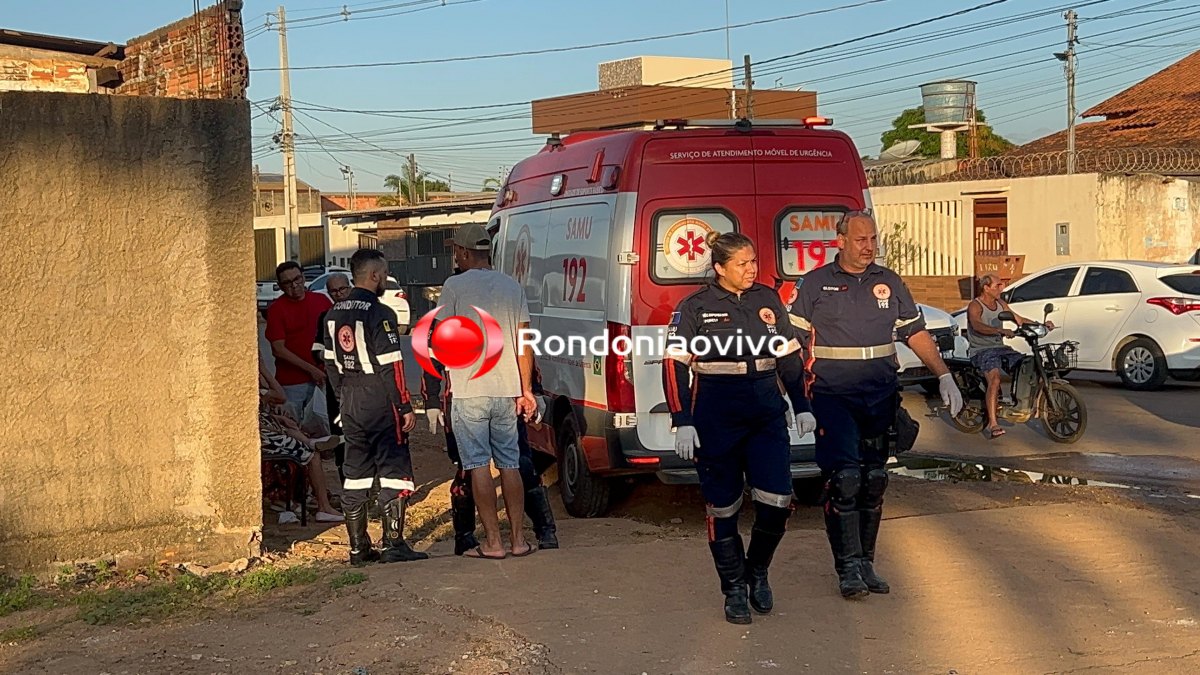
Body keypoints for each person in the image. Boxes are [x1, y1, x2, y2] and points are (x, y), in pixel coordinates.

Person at [787, 210, 963, 599]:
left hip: (880, 393)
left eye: (873, 239)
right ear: (841, 241)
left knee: (874, 480)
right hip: (833, 396)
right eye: (861, 240)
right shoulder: (814, 284)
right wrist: (793, 397)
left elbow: (914, 333)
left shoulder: (889, 282)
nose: (869, 247)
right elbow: (792, 345)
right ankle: (847, 568)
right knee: (845, 480)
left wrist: (944, 374)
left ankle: (866, 562)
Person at [662, 231, 815, 625]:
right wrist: (682, 421)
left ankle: (757, 571)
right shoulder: (694, 307)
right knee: (723, 506)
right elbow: (674, 365)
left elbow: (789, 356)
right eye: (743, 264)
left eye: (753, 262)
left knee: (778, 502)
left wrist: (802, 405)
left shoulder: (767, 299)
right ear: (719, 268)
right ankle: (733, 588)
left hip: (765, 410)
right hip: (715, 412)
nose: (752, 269)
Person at [434, 222, 538, 560]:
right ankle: (519, 540)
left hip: (469, 389)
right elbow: (525, 343)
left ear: (464, 252)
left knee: (478, 464)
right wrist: (526, 390)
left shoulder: (453, 286)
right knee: (510, 463)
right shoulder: (512, 286)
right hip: (507, 390)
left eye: (455, 251)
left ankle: (492, 543)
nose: (455, 256)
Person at [320, 248, 427, 565]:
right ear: (375, 275)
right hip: (379, 398)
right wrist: (405, 406)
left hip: (349, 398)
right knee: (393, 470)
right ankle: (393, 545)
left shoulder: (333, 313)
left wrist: (343, 396)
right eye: (384, 272)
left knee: (355, 474)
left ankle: (358, 548)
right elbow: (391, 367)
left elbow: (329, 365)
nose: (385, 279)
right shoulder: (380, 313)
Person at [423, 349, 559, 555]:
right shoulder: (446, 317)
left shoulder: (508, 315)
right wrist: (431, 401)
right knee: (467, 471)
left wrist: (535, 391)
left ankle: (545, 531)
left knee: (523, 465)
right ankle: (465, 537)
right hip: (465, 396)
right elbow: (432, 357)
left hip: (505, 397)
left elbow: (524, 351)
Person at [966, 273, 1054, 439]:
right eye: (997, 285)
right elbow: (977, 325)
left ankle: (1023, 405)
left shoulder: (1000, 303)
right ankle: (993, 423)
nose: (1001, 288)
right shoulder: (975, 305)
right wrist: (999, 330)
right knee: (995, 379)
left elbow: (1019, 320)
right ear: (986, 288)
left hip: (1000, 348)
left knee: (1027, 367)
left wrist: (1041, 325)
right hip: (981, 350)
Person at [258, 352, 343, 523]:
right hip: (264, 434)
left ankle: (315, 501)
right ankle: (323, 507)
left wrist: (263, 372)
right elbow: (277, 398)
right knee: (310, 452)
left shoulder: (256, 386)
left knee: (297, 432)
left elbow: (279, 397)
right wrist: (264, 370)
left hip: (272, 428)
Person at [266, 261, 333, 425]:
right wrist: (311, 370)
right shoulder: (277, 309)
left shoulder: (322, 300)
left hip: (324, 378)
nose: (294, 285)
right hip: (292, 383)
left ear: (303, 278)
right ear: (280, 286)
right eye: (287, 283)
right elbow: (278, 349)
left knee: (326, 429)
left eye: (297, 279)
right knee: (294, 428)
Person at [312, 272, 352, 481]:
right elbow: (316, 350)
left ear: (350, 288)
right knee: (340, 433)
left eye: (342, 289)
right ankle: (345, 480)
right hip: (335, 387)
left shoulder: (361, 314)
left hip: (362, 386)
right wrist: (335, 354)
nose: (339, 294)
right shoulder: (325, 318)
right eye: (334, 291)